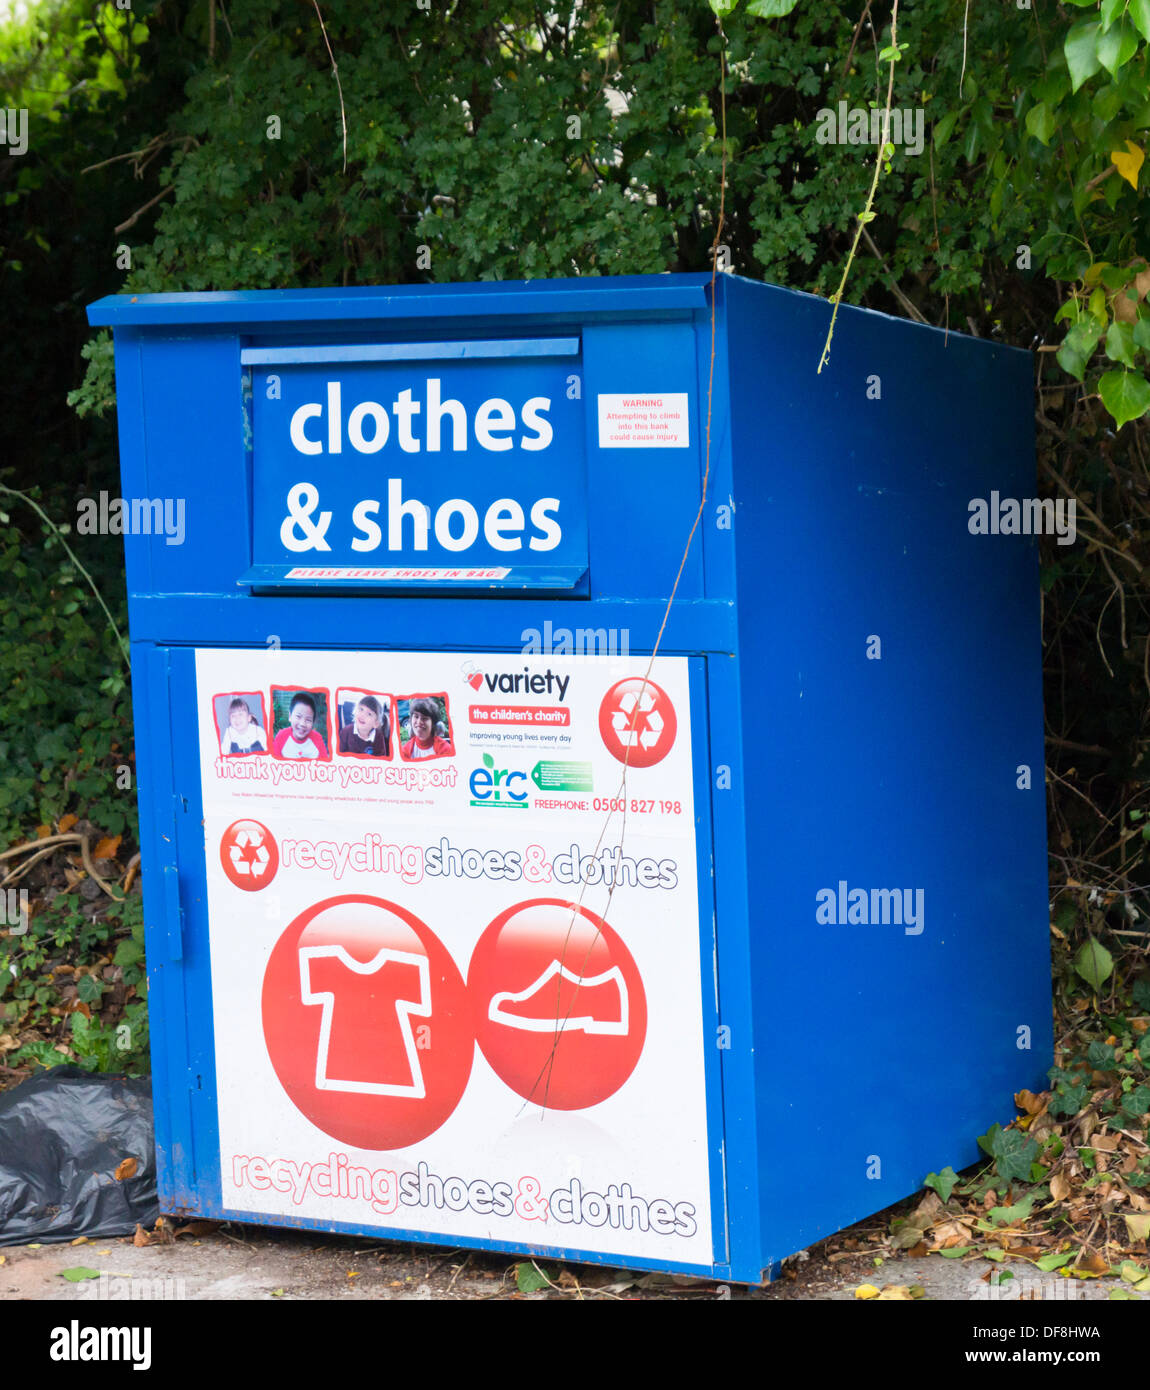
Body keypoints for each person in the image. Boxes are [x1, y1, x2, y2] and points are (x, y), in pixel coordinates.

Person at [272, 692, 329, 759]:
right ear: (290, 716)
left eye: (308, 720)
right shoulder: (281, 737)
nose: (302, 724)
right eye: (298, 716)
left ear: (313, 722)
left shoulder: (317, 739)